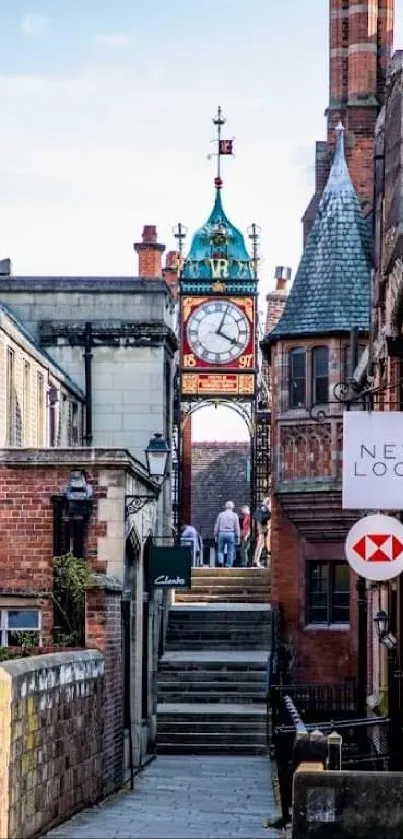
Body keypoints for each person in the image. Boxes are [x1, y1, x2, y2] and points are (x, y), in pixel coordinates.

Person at [213, 501, 240, 568]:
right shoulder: (234, 515)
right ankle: (228, 565)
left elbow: (217, 525)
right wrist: (238, 536)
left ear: (225, 507)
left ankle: (220, 562)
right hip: (231, 534)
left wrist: (215, 534)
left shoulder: (221, 514)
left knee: (220, 550)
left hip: (221, 533)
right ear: (232, 507)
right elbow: (237, 527)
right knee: (230, 551)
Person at [253, 496, 271, 567]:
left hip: (262, 528)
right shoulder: (265, 509)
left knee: (261, 545)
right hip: (264, 528)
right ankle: (256, 561)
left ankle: (256, 560)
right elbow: (267, 518)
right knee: (261, 544)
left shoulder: (261, 508)